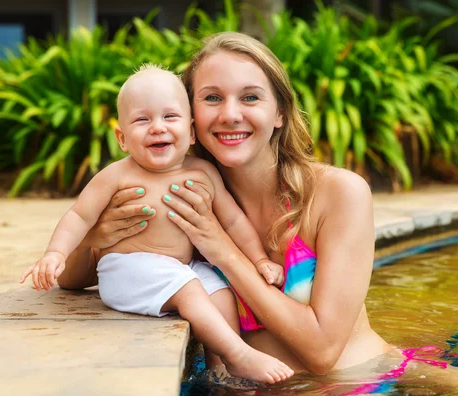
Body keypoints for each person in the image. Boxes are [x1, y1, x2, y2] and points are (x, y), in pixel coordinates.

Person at [57, 33, 458, 395]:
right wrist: (98, 235)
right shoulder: (187, 189)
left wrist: (222, 250)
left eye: (250, 97)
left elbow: (323, 350)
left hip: (364, 383)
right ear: (189, 118)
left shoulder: (337, 194)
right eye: (211, 98)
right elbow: (73, 281)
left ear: (280, 113)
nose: (229, 114)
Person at [19, 64, 293, 385]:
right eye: (142, 120)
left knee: (220, 291)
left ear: (191, 132)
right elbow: (79, 216)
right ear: (122, 138)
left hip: (181, 267)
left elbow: (233, 221)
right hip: (128, 270)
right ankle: (239, 355)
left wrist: (259, 259)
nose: (157, 128)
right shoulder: (117, 176)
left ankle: (220, 369)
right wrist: (55, 253)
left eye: (170, 117)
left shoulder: (203, 172)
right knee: (189, 288)